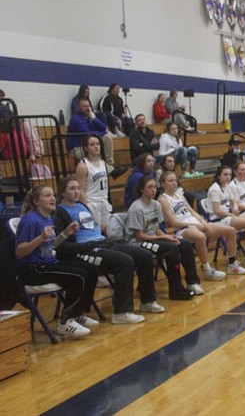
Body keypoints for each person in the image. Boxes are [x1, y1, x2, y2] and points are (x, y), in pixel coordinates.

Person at [53, 176, 158, 324]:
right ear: (62, 192)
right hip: (86, 249)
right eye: (72, 189)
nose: (76, 191)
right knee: (125, 262)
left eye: (78, 188)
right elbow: (61, 242)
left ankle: (147, 301)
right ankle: (122, 312)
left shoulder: (82, 206)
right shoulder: (60, 212)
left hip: (101, 242)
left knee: (144, 255)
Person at [13, 185, 98, 338]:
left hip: (48, 262)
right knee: (78, 276)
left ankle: (77, 314)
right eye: (47, 196)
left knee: (90, 270)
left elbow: (50, 245)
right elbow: (19, 252)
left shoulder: (48, 218)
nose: (52, 198)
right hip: (34, 269)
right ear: (37, 201)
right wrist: (40, 238)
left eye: (53, 195)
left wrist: (65, 233)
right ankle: (65, 321)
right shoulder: (30, 221)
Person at [159, 171, 245, 285]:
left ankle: (232, 264)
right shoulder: (163, 199)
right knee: (200, 237)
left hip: (194, 223)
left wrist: (203, 221)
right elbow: (173, 222)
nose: (174, 183)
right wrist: (195, 225)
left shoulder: (179, 195)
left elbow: (192, 211)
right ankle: (207, 269)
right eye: (170, 181)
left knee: (230, 230)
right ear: (163, 184)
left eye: (175, 180)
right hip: (182, 229)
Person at [124, 176, 196, 300]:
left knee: (185, 245)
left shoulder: (156, 205)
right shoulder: (136, 208)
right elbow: (139, 236)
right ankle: (176, 290)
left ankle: (192, 282)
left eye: (154, 187)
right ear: (142, 190)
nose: (153, 190)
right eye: (149, 187)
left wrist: (166, 236)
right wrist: (162, 239)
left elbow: (156, 229)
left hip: (151, 238)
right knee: (171, 248)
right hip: (136, 243)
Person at [205, 165, 245, 274]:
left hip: (227, 216)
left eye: (229, 175)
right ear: (218, 176)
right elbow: (217, 211)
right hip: (218, 220)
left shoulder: (226, 186)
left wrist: (235, 208)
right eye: (225, 174)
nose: (228, 177)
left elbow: (234, 201)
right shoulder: (215, 189)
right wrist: (232, 215)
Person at [75, 135, 113, 233]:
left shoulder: (102, 163)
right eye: (92, 144)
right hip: (92, 202)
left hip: (104, 201)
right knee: (96, 233)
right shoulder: (83, 165)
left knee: (109, 231)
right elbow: (80, 190)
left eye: (98, 144)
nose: (96, 146)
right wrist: (86, 207)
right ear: (86, 148)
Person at [67, 97, 118, 171]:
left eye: (88, 106)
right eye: (84, 106)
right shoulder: (76, 119)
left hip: (88, 145)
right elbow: (88, 133)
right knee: (94, 147)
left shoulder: (90, 117)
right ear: (78, 108)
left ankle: (109, 164)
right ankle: (109, 170)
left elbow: (103, 128)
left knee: (107, 137)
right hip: (77, 148)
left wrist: (94, 118)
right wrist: (101, 133)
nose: (87, 108)